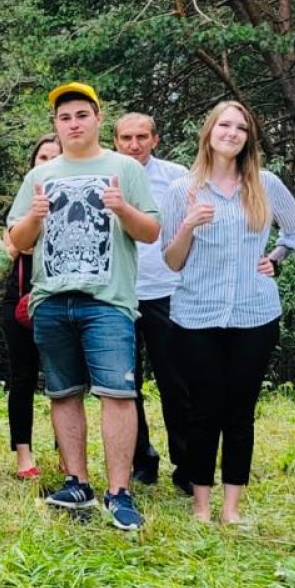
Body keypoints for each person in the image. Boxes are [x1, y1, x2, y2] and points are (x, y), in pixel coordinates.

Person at [8, 82, 159, 531]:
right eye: (64, 118)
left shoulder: (124, 169)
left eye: (81, 115)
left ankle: (119, 491)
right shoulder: (40, 176)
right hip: (51, 299)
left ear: (97, 118)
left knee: (117, 393)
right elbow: (15, 242)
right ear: (56, 125)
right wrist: (34, 217)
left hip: (108, 302)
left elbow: (151, 231)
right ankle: (77, 482)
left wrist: (121, 210)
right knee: (63, 392)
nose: (73, 124)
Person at [161, 101, 295, 525]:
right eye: (224, 125)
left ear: (248, 137)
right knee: (204, 411)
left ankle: (231, 509)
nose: (232, 132)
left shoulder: (264, 184)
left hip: (254, 313)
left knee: (240, 413)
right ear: (209, 132)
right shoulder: (182, 190)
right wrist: (188, 224)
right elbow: (172, 261)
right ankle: (201, 508)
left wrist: (276, 258)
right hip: (197, 316)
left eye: (241, 127)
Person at [113, 112, 192, 491]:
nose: (134, 144)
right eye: (126, 137)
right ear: (115, 141)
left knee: (176, 381)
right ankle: (141, 459)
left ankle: (188, 463)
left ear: (155, 140)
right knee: (126, 385)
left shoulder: (177, 176)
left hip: (166, 289)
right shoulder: (106, 173)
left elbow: (196, 225)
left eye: (142, 137)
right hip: (119, 292)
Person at [0, 134, 60, 478]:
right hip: (20, 297)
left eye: (56, 157)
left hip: (61, 298)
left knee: (63, 379)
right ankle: (23, 453)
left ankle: (65, 450)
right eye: (43, 158)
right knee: (21, 377)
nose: (49, 164)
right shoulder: (25, 203)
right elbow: (13, 246)